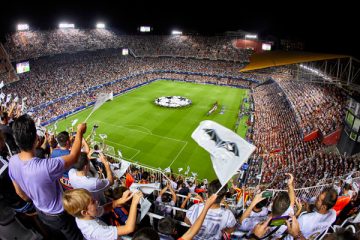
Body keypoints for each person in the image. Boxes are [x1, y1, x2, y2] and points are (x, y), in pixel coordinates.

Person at [8, 114, 86, 240]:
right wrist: (79, 132)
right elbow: (74, 157)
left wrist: (36, 197)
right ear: (36, 139)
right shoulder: (45, 167)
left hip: (40, 211)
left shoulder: (12, 161)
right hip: (59, 214)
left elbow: (20, 193)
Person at [63, 188, 142, 240]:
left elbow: (104, 208)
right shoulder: (96, 231)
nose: (96, 201)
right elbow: (128, 228)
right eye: (93, 202)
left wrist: (120, 200)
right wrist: (134, 203)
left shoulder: (83, 216)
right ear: (84, 212)